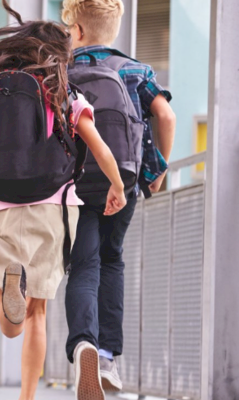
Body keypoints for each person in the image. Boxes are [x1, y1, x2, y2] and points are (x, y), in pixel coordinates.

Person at [0, 2, 127, 400]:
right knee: (37, 312)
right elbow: (100, 148)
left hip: (2, 209)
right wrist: (117, 186)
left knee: (12, 324)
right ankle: (27, 396)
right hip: (54, 209)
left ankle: (11, 281)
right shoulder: (65, 93)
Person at [60, 0, 177, 392]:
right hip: (122, 185)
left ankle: (83, 345)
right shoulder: (135, 70)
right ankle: (107, 358)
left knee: (84, 265)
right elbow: (166, 116)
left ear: (76, 31)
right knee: (111, 261)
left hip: (74, 185)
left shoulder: (62, 73)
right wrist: (156, 169)